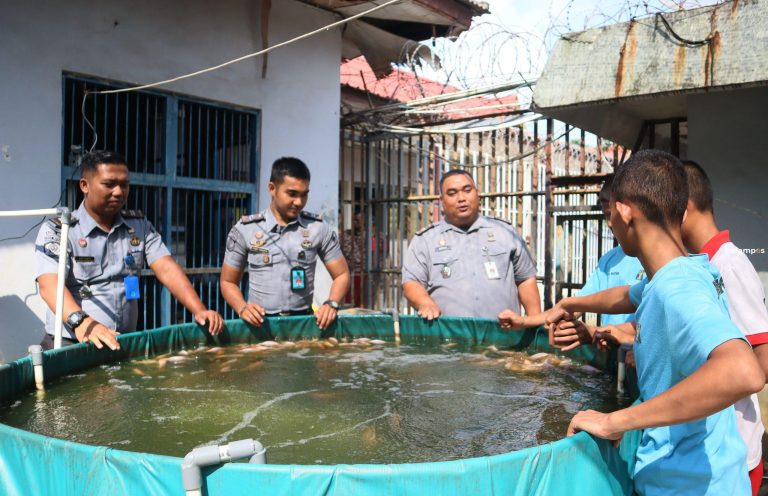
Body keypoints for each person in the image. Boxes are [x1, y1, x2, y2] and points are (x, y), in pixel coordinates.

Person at [552, 150, 763, 495]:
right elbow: (627, 295)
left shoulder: (676, 286)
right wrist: (569, 303)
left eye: (610, 213)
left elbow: (743, 371)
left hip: (686, 485)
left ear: (623, 210)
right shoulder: (690, 269)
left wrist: (613, 421)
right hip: (711, 476)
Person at [34, 150, 223, 351]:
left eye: (124, 185)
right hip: (72, 343)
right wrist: (83, 323)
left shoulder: (139, 226)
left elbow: (166, 267)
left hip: (123, 342)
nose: (118, 192)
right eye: (109, 184)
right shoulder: (60, 230)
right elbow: (49, 286)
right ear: (84, 185)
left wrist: (199, 310)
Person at [681, 159, 768, 495]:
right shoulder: (705, 265)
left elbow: (761, 365)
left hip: (737, 455)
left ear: (684, 209)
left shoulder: (728, 265)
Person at [220, 157, 350, 330]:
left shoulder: (318, 229)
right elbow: (228, 282)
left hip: (303, 326)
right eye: (292, 194)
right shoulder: (246, 230)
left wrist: (331, 304)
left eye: (304, 195)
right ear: (272, 189)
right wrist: (242, 308)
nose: (299, 202)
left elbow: (342, 274)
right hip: (260, 328)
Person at [401, 169, 541, 321]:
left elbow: (526, 279)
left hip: (504, 336)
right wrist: (424, 302)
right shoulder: (425, 240)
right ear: (442, 200)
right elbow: (411, 282)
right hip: (449, 338)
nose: (461, 198)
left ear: (477, 193)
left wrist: (535, 323)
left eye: (467, 190)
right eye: (452, 193)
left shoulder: (505, 232)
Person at [340, 209, 367, 308]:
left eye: (358, 219)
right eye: (353, 219)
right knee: (349, 305)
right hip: (350, 274)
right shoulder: (344, 235)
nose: (355, 221)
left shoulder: (371, 236)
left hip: (366, 275)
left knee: (364, 306)